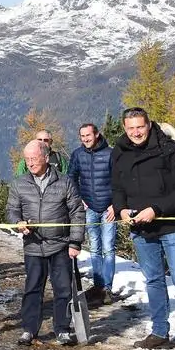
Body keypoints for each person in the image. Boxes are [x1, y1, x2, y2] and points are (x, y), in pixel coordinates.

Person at [113, 107, 175, 350]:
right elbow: (117, 187)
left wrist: (156, 209)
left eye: (140, 127)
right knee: (153, 280)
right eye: (131, 128)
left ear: (149, 125)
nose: (136, 132)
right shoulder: (119, 152)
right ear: (125, 128)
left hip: (173, 226)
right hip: (141, 229)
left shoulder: (171, 149)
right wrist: (122, 210)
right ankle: (159, 332)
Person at [7, 140, 84, 347]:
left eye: (34, 158)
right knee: (32, 288)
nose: (30, 163)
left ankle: (62, 329)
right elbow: (12, 211)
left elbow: (77, 212)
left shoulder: (65, 182)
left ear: (46, 158)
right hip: (33, 245)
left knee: (62, 290)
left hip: (60, 244)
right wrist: (18, 223)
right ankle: (29, 329)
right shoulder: (19, 183)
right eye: (27, 159)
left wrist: (75, 242)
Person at [67, 122, 115, 306]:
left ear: (97, 135)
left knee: (109, 247)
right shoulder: (77, 155)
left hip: (109, 208)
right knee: (95, 247)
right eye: (83, 136)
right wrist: (79, 198)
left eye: (88, 135)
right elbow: (71, 177)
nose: (86, 139)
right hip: (89, 208)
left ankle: (108, 288)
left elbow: (119, 180)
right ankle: (98, 287)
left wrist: (116, 205)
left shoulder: (110, 154)